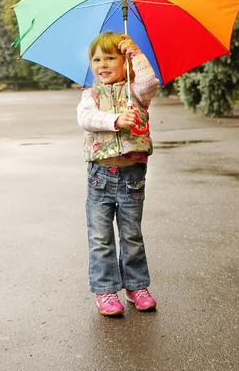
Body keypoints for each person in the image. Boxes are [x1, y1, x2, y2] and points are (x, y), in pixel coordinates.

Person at [77, 31, 159, 316]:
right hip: (100, 177)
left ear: (123, 61)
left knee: (131, 235)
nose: (102, 64)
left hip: (132, 176)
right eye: (96, 58)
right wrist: (115, 119)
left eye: (110, 57)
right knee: (101, 238)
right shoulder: (90, 95)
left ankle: (136, 287)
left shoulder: (137, 92)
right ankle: (106, 291)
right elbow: (86, 119)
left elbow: (151, 83)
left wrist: (136, 54)